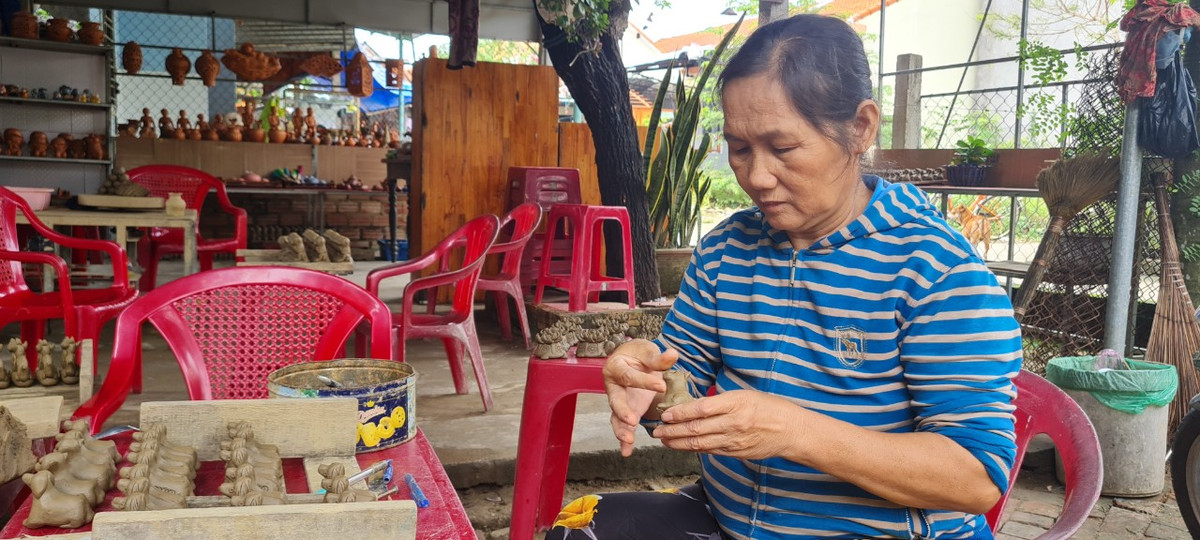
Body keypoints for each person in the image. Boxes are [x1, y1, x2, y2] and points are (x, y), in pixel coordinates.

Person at [549, 13, 1023, 540]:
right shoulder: (728, 249)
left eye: (783, 148)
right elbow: (676, 379)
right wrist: (644, 379)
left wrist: (794, 432)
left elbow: (976, 480)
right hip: (729, 521)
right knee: (579, 531)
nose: (756, 176)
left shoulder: (935, 271)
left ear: (860, 128)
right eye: (740, 148)